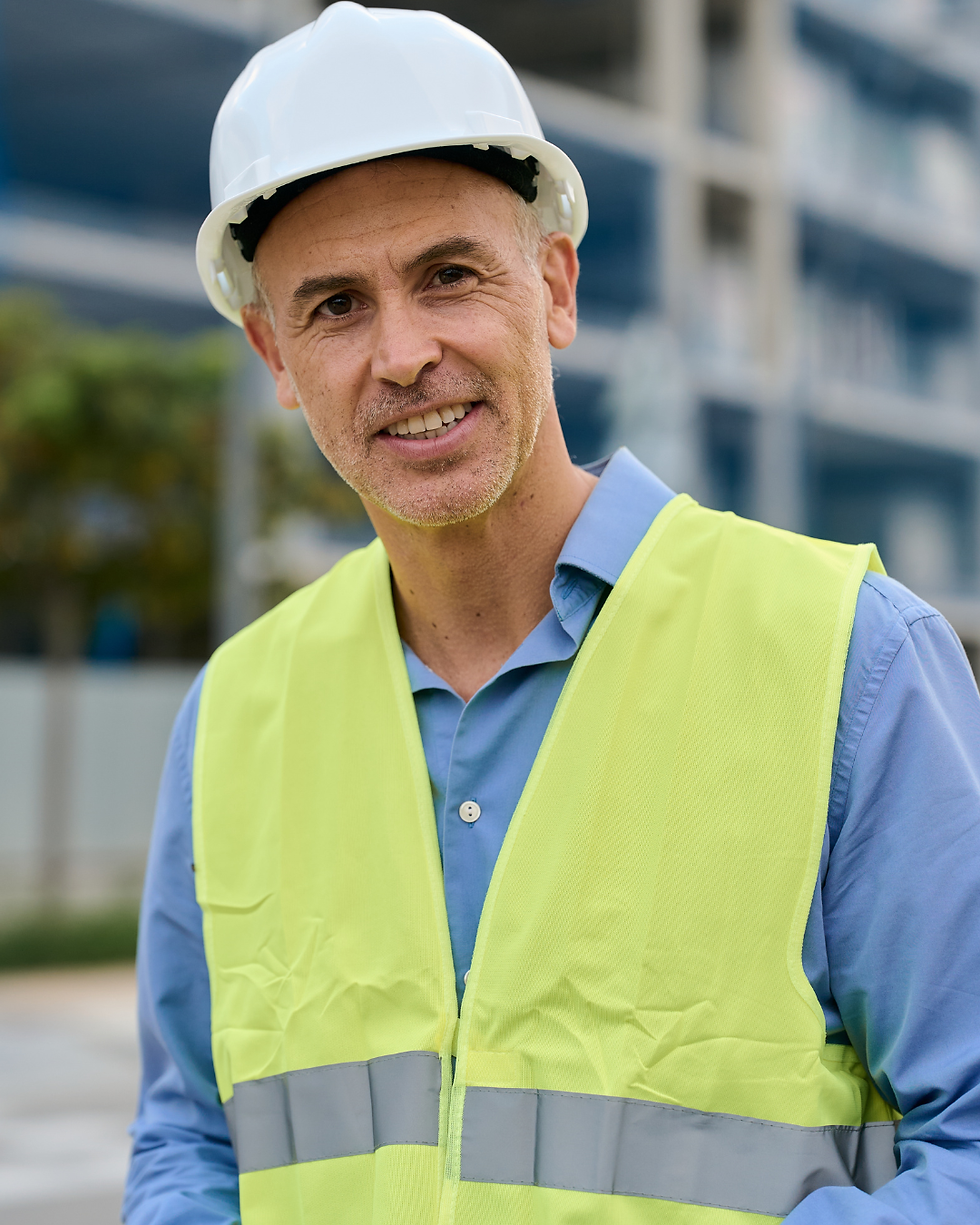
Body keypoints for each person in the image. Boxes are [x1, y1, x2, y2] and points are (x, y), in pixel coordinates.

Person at [124, 5, 980, 1223]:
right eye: (334, 307)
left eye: (448, 275)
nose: (405, 352)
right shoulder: (234, 715)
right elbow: (190, 1138)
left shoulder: (846, 657)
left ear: (554, 286)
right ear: (274, 354)